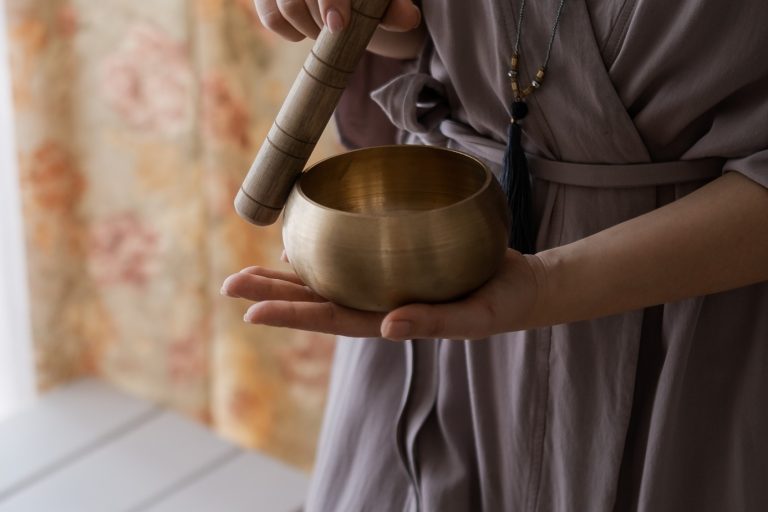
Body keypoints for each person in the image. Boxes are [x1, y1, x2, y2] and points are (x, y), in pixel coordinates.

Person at [222, 1, 768, 510]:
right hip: (430, 271)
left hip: (686, 320)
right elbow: (426, 32)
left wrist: (548, 283)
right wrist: (351, 14)